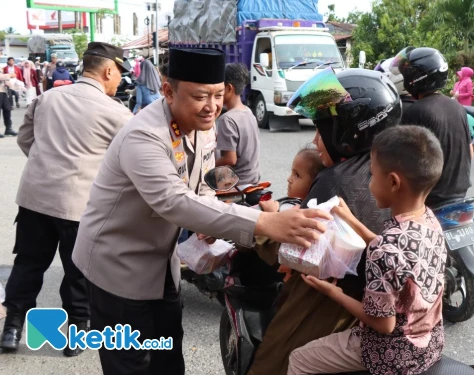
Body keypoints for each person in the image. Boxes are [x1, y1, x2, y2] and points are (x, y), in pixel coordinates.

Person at [71, 47, 330, 375]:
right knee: (130, 362)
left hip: (161, 263)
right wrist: (265, 222)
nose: (211, 107)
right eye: (200, 96)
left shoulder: (204, 124)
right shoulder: (144, 136)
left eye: (219, 95)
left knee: (167, 352)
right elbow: (175, 201)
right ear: (168, 91)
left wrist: (212, 221)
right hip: (116, 265)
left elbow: (203, 184)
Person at [247, 68, 402, 375]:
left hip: (330, 302)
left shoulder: (334, 180)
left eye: (323, 130)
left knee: (269, 364)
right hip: (377, 304)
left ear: (349, 131)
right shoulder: (393, 170)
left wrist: (261, 226)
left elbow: (296, 249)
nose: (316, 140)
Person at [0, 42, 133, 355]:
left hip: (34, 200)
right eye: (118, 76)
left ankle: (12, 328)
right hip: (79, 206)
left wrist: (47, 166)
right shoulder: (117, 113)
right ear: (108, 70)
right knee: (78, 272)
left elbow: (25, 139)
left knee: (28, 265)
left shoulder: (48, 98)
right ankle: (76, 333)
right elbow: (131, 161)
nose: (119, 83)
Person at [287, 125, 446, 375]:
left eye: (372, 175)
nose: (370, 182)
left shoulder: (383, 252)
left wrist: (333, 292)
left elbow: (383, 324)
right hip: (428, 343)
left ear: (393, 182)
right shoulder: (429, 221)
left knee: (298, 359)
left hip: (390, 353)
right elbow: (391, 252)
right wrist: (350, 220)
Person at [394, 46, 472, 207]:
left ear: (415, 78)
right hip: (459, 194)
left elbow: (402, 158)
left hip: (429, 198)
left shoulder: (417, 110)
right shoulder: (457, 107)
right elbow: (470, 152)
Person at [258, 145, 326, 281]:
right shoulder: (298, 204)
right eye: (292, 172)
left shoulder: (304, 212)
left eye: (297, 175)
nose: (289, 179)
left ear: (315, 183)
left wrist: (273, 213)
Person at [215, 63, 261, 185]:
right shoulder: (248, 112)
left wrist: (208, 165)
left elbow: (230, 159)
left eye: (219, 89)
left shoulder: (227, 119)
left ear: (229, 88)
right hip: (253, 178)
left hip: (237, 183)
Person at [0, 70, 17, 138]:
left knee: (7, 109)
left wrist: (10, 85)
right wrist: (9, 75)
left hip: (3, 91)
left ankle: (8, 129)